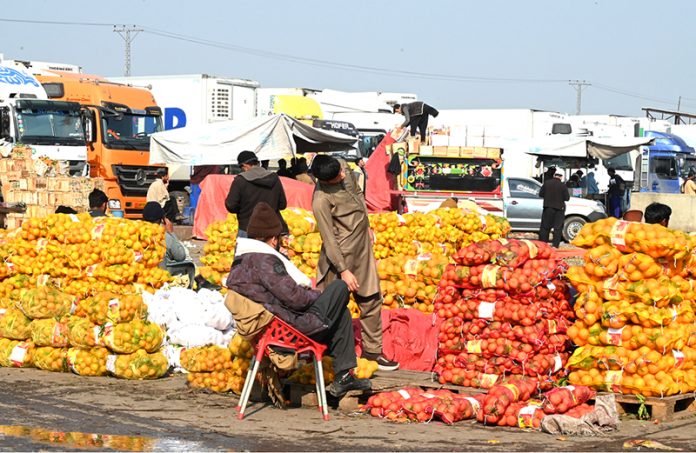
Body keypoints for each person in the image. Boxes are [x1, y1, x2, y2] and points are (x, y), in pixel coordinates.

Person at [225, 202, 371, 397]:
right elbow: (296, 299)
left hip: (270, 329)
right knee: (339, 287)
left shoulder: (240, 262)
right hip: (290, 329)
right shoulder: (266, 261)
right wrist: (319, 296)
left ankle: (344, 377)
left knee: (340, 311)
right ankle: (343, 375)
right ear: (273, 239)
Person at [311, 154, 399, 371]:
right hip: (340, 255)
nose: (342, 176)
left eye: (341, 172)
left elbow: (358, 193)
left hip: (363, 249)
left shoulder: (341, 168)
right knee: (332, 306)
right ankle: (326, 352)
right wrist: (343, 270)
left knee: (371, 299)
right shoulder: (321, 200)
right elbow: (329, 240)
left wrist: (366, 225)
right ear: (323, 181)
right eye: (336, 177)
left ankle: (373, 351)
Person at [225, 150, 288, 238]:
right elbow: (282, 205)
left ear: (245, 166)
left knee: (246, 252)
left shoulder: (240, 180)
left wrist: (243, 210)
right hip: (271, 230)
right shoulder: (274, 178)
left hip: (247, 229)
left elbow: (231, 205)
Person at [142, 201, 195, 288]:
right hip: (161, 278)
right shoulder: (164, 236)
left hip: (142, 277)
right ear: (162, 219)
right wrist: (171, 233)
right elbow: (181, 256)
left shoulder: (136, 234)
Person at [538, 170, 570, 248]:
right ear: (561, 177)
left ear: (554, 175)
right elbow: (567, 198)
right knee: (557, 228)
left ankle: (543, 244)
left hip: (548, 208)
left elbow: (540, 194)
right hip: (559, 209)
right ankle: (555, 245)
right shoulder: (563, 185)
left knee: (545, 227)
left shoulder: (547, 183)